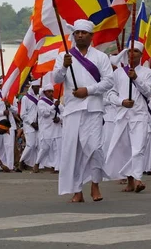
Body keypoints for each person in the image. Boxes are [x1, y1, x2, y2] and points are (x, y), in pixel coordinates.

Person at [53, 19, 113, 203]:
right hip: (72, 110)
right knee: (74, 151)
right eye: (77, 32)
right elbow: (56, 78)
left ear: (91, 36)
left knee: (94, 147)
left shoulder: (101, 57)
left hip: (93, 109)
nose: (79, 35)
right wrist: (63, 65)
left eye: (83, 33)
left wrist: (88, 90)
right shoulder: (64, 55)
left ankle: (95, 183)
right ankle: (76, 190)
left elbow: (109, 81)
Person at [104, 42, 151, 193]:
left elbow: (149, 92)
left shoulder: (148, 72)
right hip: (122, 115)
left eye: (136, 51)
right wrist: (121, 102)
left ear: (141, 55)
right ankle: (130, 181)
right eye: (130, 51)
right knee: (124, 149)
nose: (133, 54)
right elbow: (110, 93)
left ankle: (139, 179)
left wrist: (136, 78)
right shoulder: (118, 73)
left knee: (138, 148)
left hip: (139, 115)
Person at [35, 83, 64, 173]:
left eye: (52, 91)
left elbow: (64, 113)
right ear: (45, 92)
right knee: (45, 148)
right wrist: (53, 106)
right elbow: (45, 113)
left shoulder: (57, 101)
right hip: (46, 129)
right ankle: (37, 163)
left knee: (58, 149)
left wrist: (59, 119)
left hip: (57, 128)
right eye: (49, 92)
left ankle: (56, 167)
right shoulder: (41, 102)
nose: (51, 93)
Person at [19, 80, 41, 172]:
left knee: (36, 145)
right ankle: (21, 162)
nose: (38, 89)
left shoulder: (39, 97)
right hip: (29, 125)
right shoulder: (25, 98)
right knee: (30, 145)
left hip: (38, 125)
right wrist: (32, 123)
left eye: (39, 87)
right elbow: (23, 114)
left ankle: (32, 165)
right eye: (37, 87)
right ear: (33, 87)